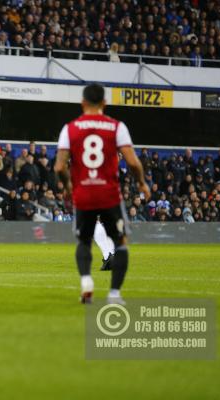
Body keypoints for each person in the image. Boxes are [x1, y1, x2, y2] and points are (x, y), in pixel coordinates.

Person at [54, 83, 150, 305]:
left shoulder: (69, 129)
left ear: (83, 103)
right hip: (109, 194)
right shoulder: (117, 127)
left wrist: (68, 187)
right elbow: (133, 162)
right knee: (121, 241)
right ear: (104, 104)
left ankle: (87, 282)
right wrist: (142, 183)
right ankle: (114, 294)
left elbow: (59, 167)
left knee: (84, 241)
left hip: (83, 194)